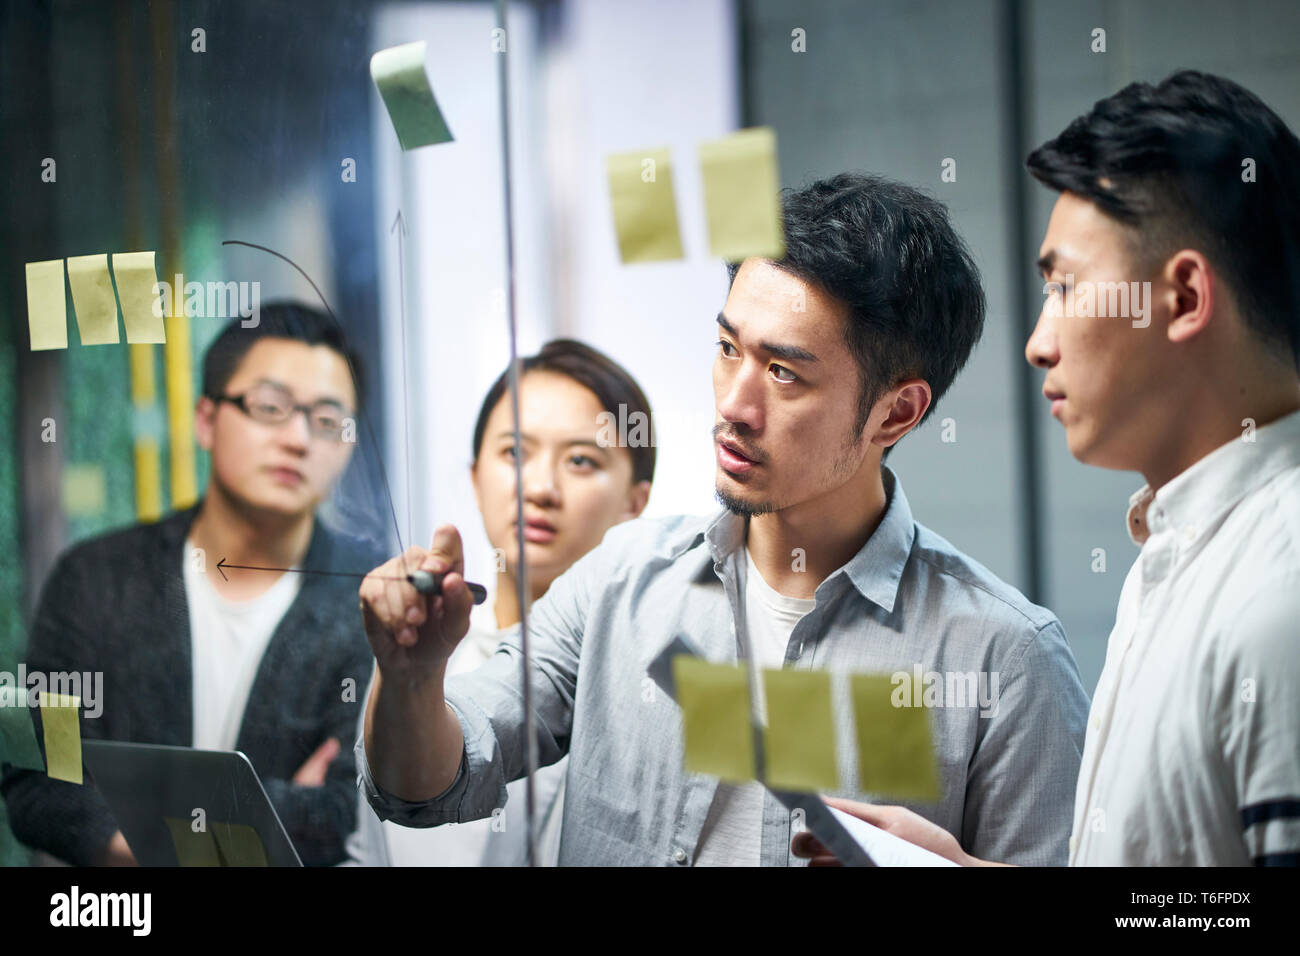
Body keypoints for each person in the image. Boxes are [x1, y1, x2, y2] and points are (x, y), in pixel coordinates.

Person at [358, 173, 1090, 867]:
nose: (734, 407)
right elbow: (425, 789)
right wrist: (411, 678)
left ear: (895, 412)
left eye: (783, 373)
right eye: (727, 349)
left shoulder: (1003, 658)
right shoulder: (623, 581)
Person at [796, 70, 1300, 867]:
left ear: (1183, 299)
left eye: (1066, 287)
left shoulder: (1280, 593)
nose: (1039, 342)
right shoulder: (1185, 554)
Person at [1, 303, 378, 866]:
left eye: (327, 421)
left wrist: (136, 811)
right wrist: (258, 818)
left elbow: (343, 813)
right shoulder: (96, 578)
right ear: (206, 419)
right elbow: (38, 780)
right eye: (270, 407)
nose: (299, 439)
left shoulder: (370, 603)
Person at [351, 338, 654, 865]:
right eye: (515, 452)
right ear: (475, 476)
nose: (539, 487)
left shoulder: (641, 684)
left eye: (581, 460)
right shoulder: (414, 646)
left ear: (636, 502)